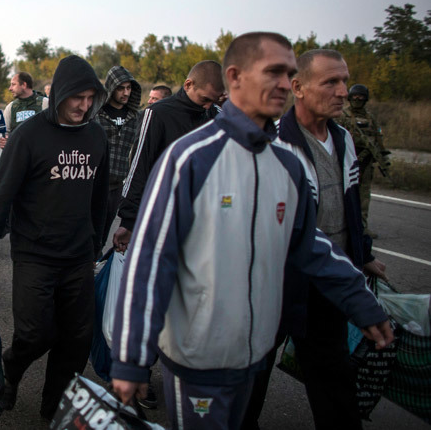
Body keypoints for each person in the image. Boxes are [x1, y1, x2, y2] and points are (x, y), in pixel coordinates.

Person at [109, 32, 393, 430]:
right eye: (273, 72)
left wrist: (358, 299)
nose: (284, 84)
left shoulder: (287, 165)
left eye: (289, 73)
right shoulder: (190, 158)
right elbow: (150, 261)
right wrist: (131, 357)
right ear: (235, 77)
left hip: (253, 355)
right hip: (197, 360)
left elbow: (310, 244)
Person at [241, 50, 386, 430]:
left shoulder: (343, 140)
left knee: (334, 379)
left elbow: (350, 206)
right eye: (331, 82)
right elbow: (285, 230)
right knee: (251, 377)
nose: (343, 91)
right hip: (276, 284)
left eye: (344, 80)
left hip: (329, 284)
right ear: (299, 88)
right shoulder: (273, 145)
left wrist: (362, 255)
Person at [0, 55, 109, 420]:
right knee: (35, 334)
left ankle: (54, 408)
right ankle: (11, 368)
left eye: (91, 97)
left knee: (76, 341)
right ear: (60, 93)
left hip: (78, 256)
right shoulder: (29, 136)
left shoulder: (96, 135)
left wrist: (95, 246)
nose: (85, 105)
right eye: (78, 96)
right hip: (35, 255)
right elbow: (0, 197)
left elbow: (99, 197)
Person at [114, 60, 225, 252]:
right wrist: (129, 220)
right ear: (188, 85)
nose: (208, 107)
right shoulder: (157, 114)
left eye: (213, 101)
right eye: (204, 99)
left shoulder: (218, 115)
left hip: (205, 221)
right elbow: (139, 165)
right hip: (162, 218)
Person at [94, 66, 142, 248]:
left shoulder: (135, 117)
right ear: (112, 88)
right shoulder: (97, 114)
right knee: (89, 231)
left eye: (129, 88)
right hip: (94, 183)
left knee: (103, 234)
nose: (126, 93)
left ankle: (94, 268)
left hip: (117, 187)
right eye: (121, 88)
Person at [337, 84, 389, 238]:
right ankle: (341, 224)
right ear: (350, 97)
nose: (357, 98)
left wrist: (383, 158)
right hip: (347, 162)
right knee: (343, 194)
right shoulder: (342, 116)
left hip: (366, 163)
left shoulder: (370, 118)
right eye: (355, 95)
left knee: (364, 196)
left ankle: (362, 226)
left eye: (361, 96)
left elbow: (378, 139)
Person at [0, 72, 49, 149]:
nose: (10, 88)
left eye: (13, 84)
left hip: (41, 155)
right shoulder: (10, 107)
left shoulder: (45, 103)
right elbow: (5, 134)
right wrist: (3, 142)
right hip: (18, 156)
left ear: (24, 85)